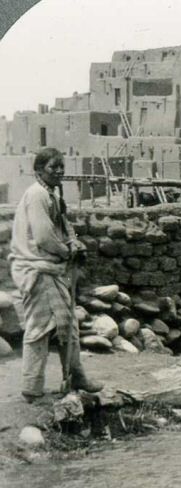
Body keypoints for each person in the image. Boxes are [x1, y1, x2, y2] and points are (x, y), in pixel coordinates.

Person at [9, 147, 103, 403]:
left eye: (61, 166)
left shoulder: (51, 195)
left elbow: (62, 227)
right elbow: (43, 237)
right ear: (39, 170)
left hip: (49, 267)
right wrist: (67, 253)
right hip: (37, 268)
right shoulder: (37, 195)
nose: (59, 171)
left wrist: (74, 244)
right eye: (53, 167)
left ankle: (75, 375)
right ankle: (31, 388)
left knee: (69, 325)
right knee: (39, 330)